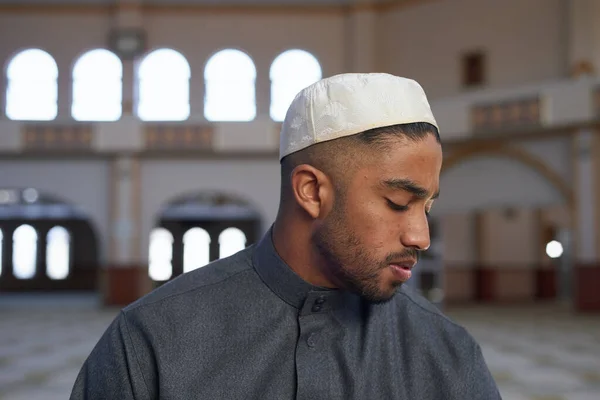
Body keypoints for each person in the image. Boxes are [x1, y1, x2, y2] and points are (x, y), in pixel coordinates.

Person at [70, 73, 501, 399]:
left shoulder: (447, 352)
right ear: (311, 191)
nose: (421, 237)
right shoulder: (151, 340)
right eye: (397, 202)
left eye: (427, 207)